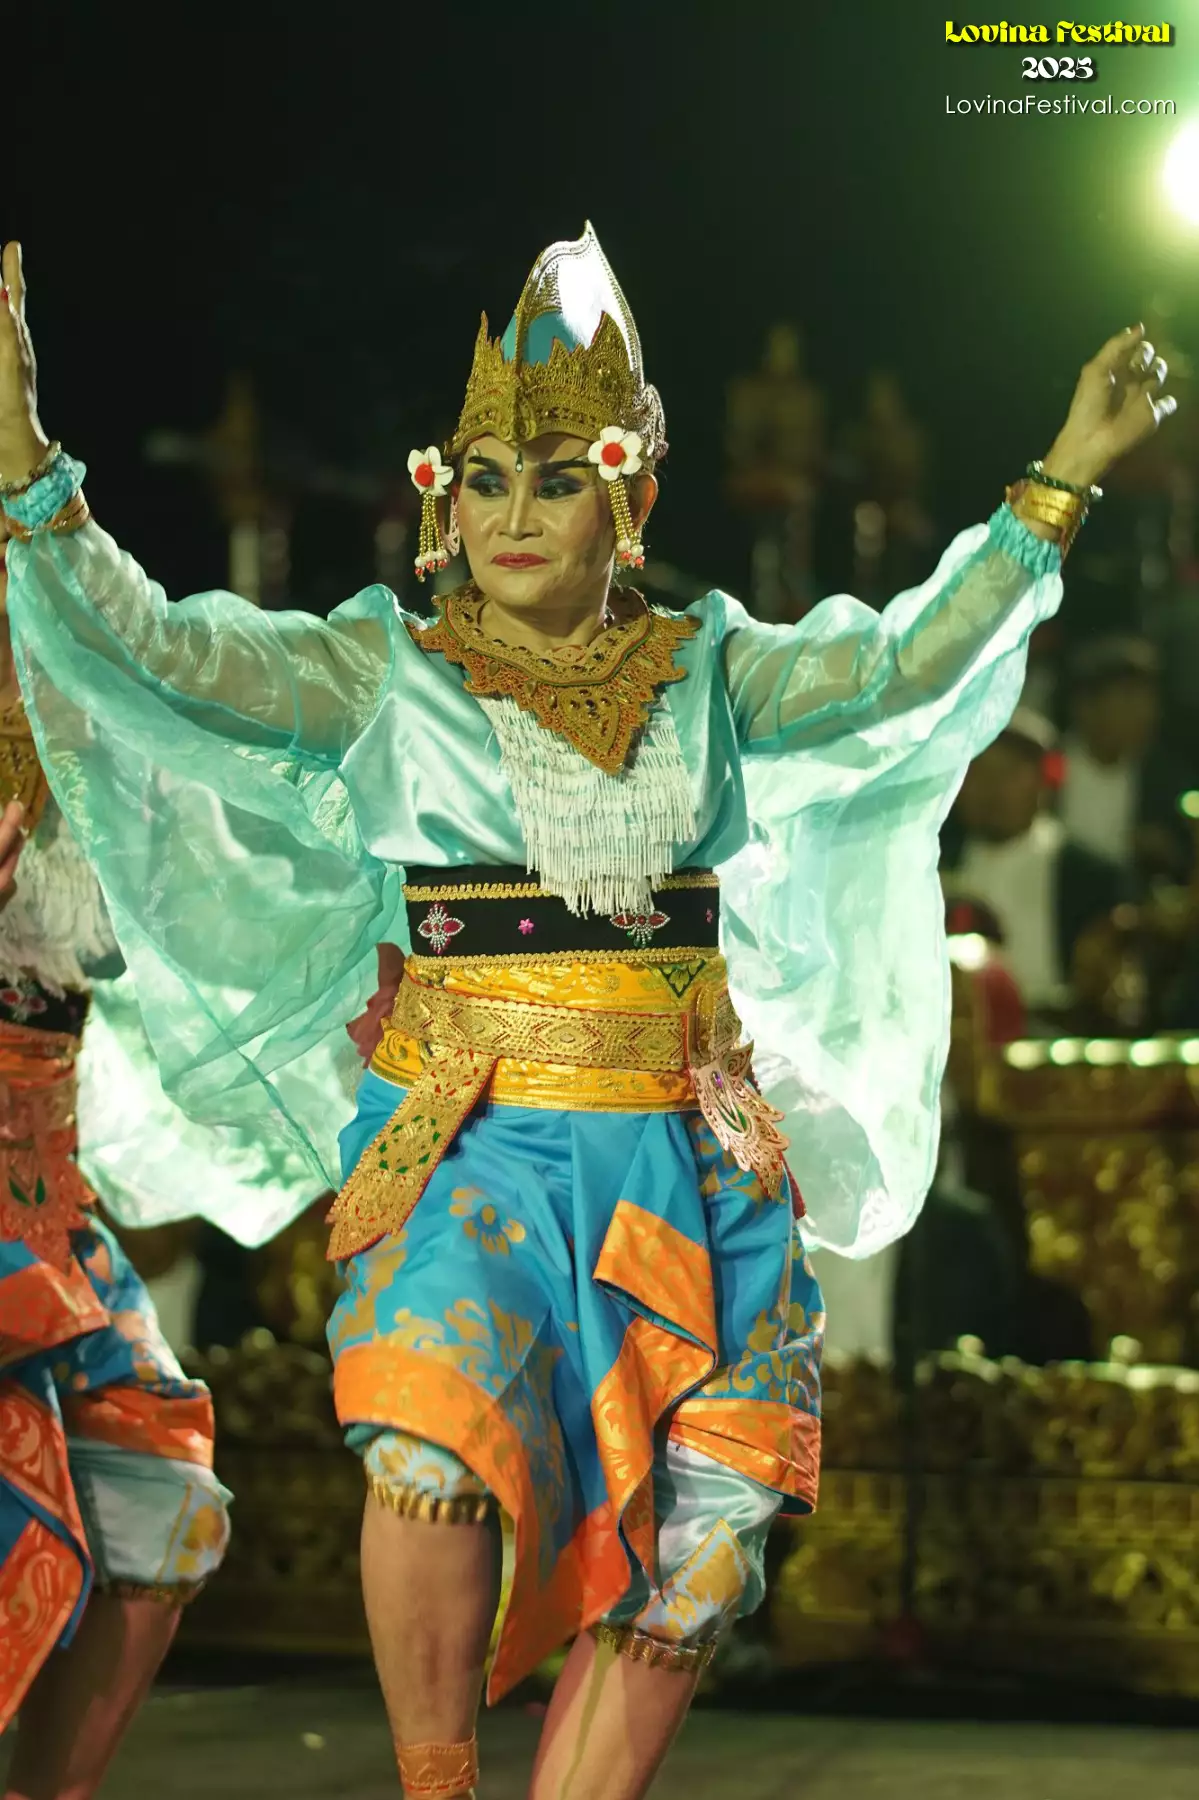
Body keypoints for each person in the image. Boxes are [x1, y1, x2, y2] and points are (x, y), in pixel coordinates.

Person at [0, 228, 1173, 1800]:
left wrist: (1061, 477)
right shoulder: (381, 671)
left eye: (553, 482)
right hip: (468, 1145)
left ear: (631, 503)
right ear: (442, 502)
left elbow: (904, 672)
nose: (509, 515)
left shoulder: (710, 674)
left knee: (700, 1560)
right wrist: (25, 458)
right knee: (426, 1459)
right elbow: (153, 653)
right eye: (483, 480)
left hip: (690, 1162)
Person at [943, 708, 1133, 1026]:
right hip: (960, 1028)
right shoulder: (932, 865)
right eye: (978, 771)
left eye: (1009, 772)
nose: (993, 788)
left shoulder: (1090, 877)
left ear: (1043, 780)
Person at [1060, 634, 1193, 882]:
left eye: (1150, 701)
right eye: (1128, 699)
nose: (1145, 714)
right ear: (1085, 707)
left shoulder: (1164, 781)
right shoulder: (1043, 768)